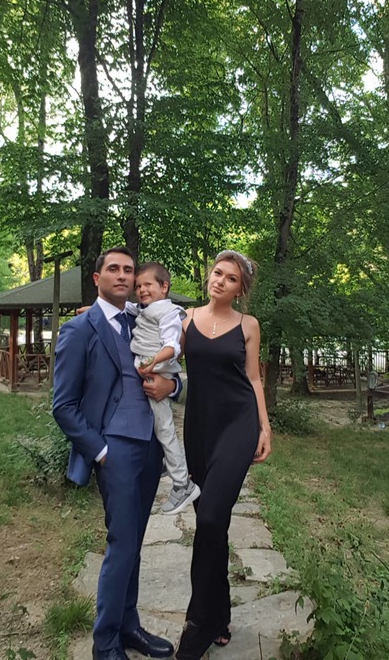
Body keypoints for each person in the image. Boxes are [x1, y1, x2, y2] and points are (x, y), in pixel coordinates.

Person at [52, 247, 178, 660]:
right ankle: (105, 643)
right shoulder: (79, 329)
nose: (123, 276)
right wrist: (101, 451)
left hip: (150, 446)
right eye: (114, 269)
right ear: (97, 278)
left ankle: (129, 627)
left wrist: (173, 387)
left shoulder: (146, 320)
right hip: (115, 449)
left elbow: (176, 369)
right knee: (123, 542)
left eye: (129, 270)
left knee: (135, 540)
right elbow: (63, 405)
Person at [173, 250, 272, 660]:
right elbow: (159, 351)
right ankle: (220, 614)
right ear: (209, 276)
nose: (221, 281)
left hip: (238, 426)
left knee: (212, 518)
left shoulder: (248, 325)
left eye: (231, 279)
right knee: (211, 524)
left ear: (239, 290)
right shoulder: (186, 320)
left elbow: (253, 377)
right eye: (218, 273)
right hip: (199, 429)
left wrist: (264, 426)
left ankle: (198, 623)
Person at [130, 261, 201, 515]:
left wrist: (152, 362)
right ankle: (164, 461)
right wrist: (93, 309)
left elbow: (172, 347)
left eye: (147, 284)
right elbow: (124, 307)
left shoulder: (169, 313)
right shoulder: (143, 309)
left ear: (164, 287)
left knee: (166, 429)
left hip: (156, 370)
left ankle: (182, 484)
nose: (141, 290)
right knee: (161, 428)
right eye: (138, 286)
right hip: (150, 369)